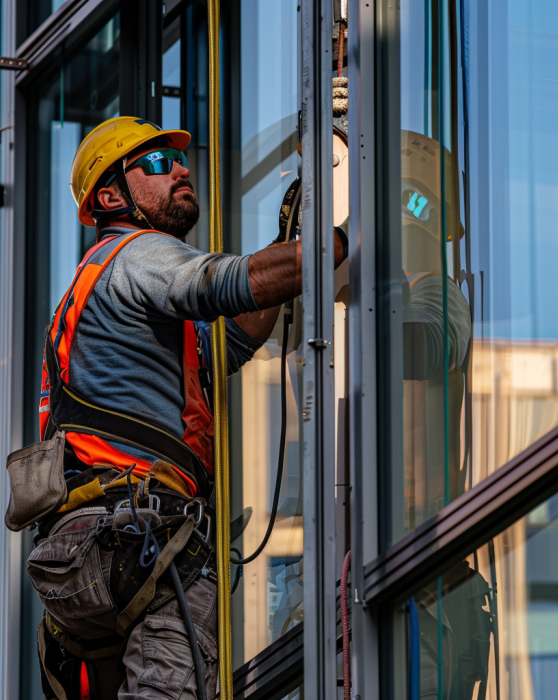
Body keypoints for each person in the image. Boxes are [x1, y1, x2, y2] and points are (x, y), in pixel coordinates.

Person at [24, 116, 347, 700]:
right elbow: (219, 284)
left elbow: (230, 342)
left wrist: (287, 248)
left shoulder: (103, 288)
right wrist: (343, 242)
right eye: (154, 164)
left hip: (84, 553)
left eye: (177, 160)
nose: (180, 168)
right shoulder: (138, 251)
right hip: (136, 536)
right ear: (111, 196)